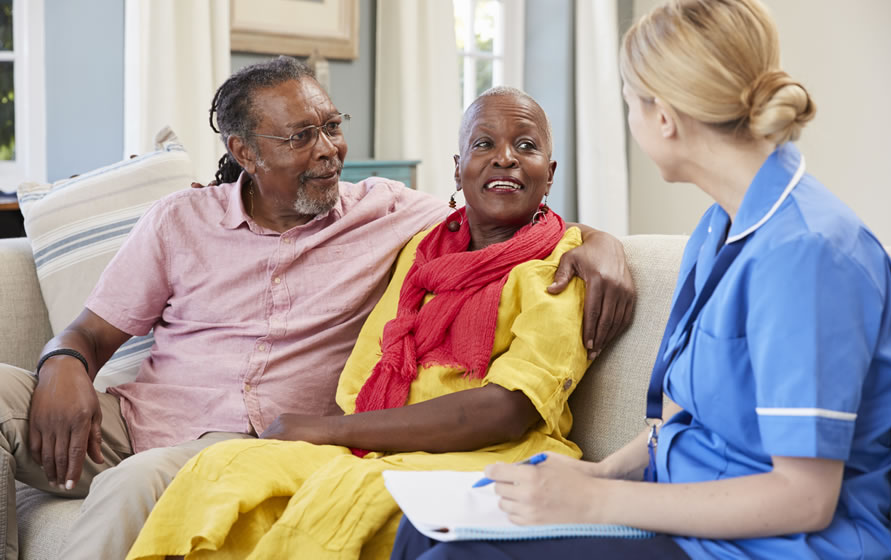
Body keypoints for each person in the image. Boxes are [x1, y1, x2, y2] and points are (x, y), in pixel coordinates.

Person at [0, 58, 634, 560]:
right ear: (244, 151)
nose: (329, 149)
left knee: (134, 483)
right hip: (135, 420)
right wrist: (63, 362)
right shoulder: (179, 219)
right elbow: (89, 333)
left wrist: (603, 243)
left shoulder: (388, 212)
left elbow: (504, 210)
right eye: (301, 137)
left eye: (332, 126)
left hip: (242, 443)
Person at [390, 0, 891, 560]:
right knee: (425, 530)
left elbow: (804, 500)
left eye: (629, 101)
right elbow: (684, 413)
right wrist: (600, 474)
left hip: (767, 547)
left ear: (664, 117)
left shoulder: (807, 256)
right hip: (681, 513)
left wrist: (595, 502)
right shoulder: (719, 227)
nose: (629, 118)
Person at [125, 87, 592, 559]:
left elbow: (509, 411)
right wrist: (346, 434)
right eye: (483, 144)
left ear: (549, 175)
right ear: (457, 168)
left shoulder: (562, 267)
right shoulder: (424, 249)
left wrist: (329, 431)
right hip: (378, 441)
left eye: (526, 146)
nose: (505, 159)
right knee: (223, 469)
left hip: (487, 454)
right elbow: (364, 375)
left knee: (336, 502)